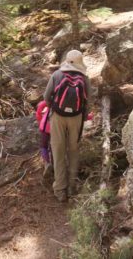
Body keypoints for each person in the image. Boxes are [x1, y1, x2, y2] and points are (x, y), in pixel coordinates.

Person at [43, 49, 91, 202]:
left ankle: (60, 190)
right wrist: (82, 117)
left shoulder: (57, 75)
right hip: (76, 117)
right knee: (74, 150)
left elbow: (46, 97)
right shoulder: (84, 78)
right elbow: (87, 101)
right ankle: (72, 186)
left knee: (58, 152)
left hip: (58, 117)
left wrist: (55, 108)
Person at [34, 100, 53, 179]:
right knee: (53, 146)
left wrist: (40, 120)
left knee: (43, 146)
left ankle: (47, 162)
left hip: (45, 127)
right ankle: (53, 162)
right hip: (56, 128)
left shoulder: (45, 102)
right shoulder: (61, 101)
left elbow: (38, 113)